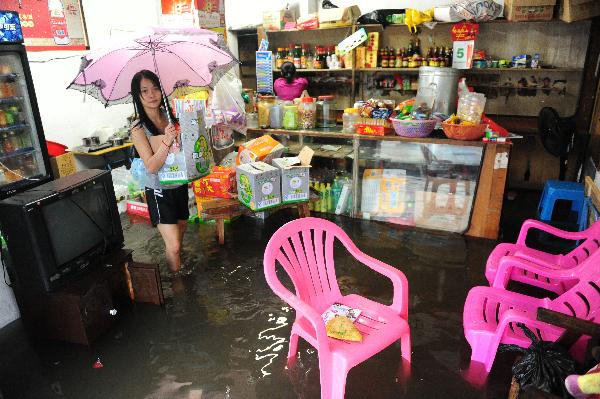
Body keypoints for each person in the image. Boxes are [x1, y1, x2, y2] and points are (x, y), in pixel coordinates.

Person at [129, 69, 188, 274]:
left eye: (155, 88)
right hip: (158, 189)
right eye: (145, 91)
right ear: (137, 96)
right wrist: (167, 140)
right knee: (174, 246)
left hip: (179, 183)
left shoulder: (170, 116)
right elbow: (151, 166)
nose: (152, 94)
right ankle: (178, 286)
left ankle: (176, 268)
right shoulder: (138, 128)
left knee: (180, 232)